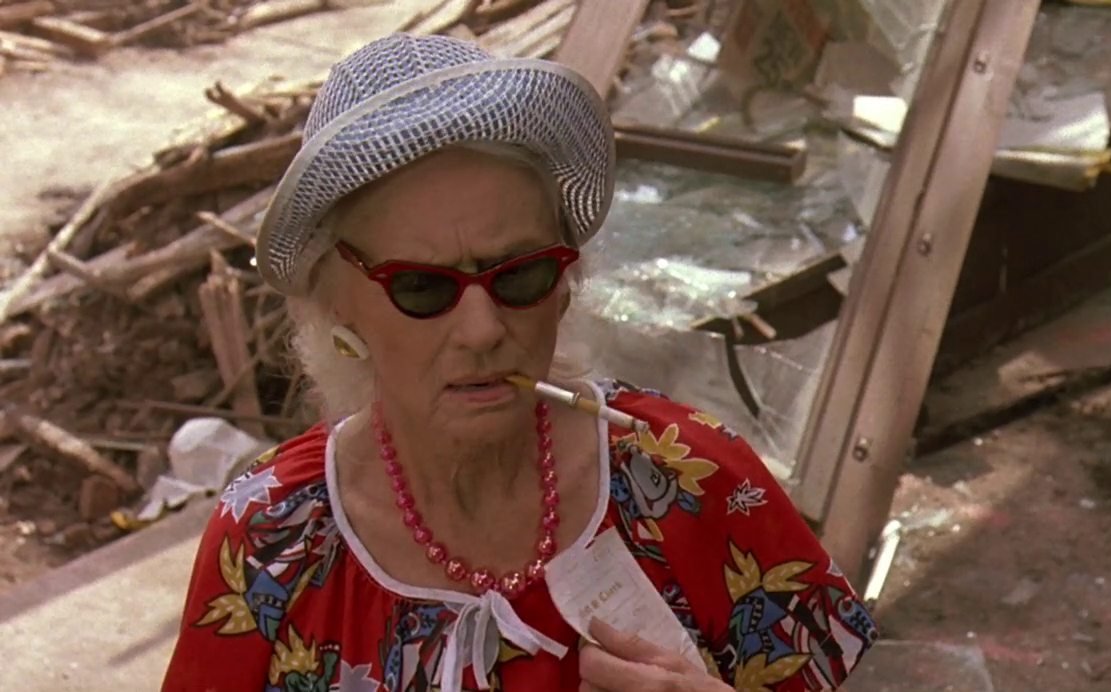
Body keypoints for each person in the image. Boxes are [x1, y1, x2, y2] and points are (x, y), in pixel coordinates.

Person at [163, 34, 877, 692]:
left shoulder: (692, 481)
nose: (482, 329)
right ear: (337, 303)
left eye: (521, 274)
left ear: (564, 284)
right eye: (423, 288)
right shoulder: (272, 540)